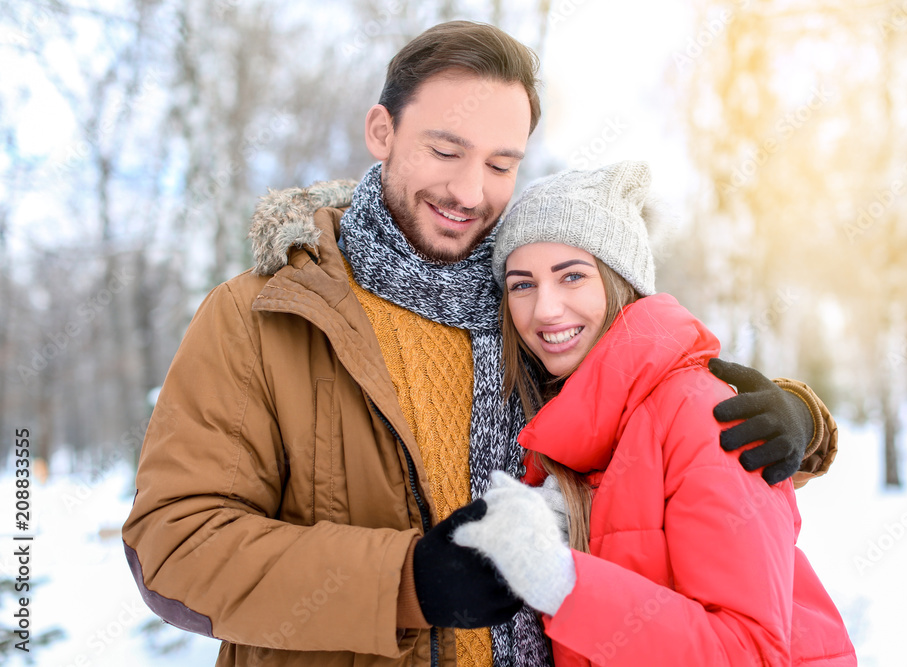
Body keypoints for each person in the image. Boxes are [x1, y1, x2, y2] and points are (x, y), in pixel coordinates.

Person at [122, 20, 838, 667]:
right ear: (382, 131)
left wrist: (799, 422)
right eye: (445, 150)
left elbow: (653, 426)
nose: (470, 190)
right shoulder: (263, 315)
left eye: (501, 164)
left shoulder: (529, 304)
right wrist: (406, 581)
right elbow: (174, 546)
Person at [453, 160, 856, 666]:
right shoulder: (563, 424)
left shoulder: (701, 414)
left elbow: (749, 652)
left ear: (622, 281)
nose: (546, 309)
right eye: (522, 284)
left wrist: (563, 582)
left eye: (572, 276)